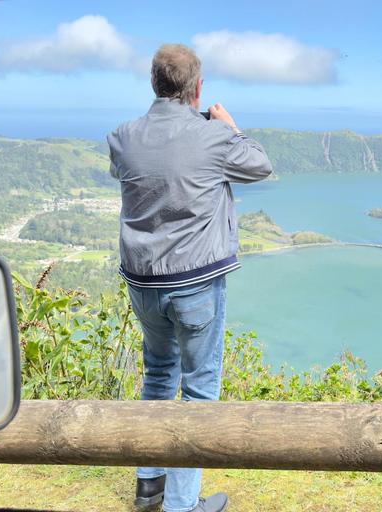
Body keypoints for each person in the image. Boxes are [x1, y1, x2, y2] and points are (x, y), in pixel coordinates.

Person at [107, 43, 273, 512]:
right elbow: (259, 165)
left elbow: (124, 169)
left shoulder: (122, 136)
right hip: (197, 282)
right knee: (199, 388)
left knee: (158, 374)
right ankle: (182, 504)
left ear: (155, 84)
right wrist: (229, 127)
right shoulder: (213, 137)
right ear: (196, 88)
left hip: (143, 283)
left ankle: (148, 485)